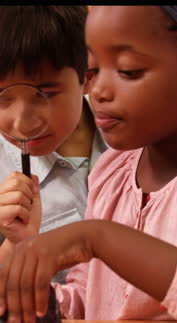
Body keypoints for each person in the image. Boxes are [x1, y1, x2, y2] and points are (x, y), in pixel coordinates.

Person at [1, 5, 177, 323]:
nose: (98, 93)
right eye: (92, 71)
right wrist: (25, 278)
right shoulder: (112, 172)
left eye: (128, 71)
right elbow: (87, 300)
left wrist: (100, 237)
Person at [0, 5, 107, 283]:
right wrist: (14, 244)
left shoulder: (132, 144)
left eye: (44, 94)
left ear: (87, 77)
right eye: (3, 97)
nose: (22, 123)